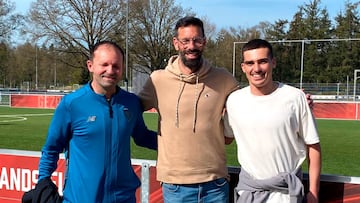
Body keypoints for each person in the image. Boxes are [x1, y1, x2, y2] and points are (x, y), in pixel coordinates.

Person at [32, 41, 157, 202]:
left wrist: (177, 143)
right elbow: (51, 148)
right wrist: (43, 181)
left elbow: (143, 136)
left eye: (116, 66)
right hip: (80, 199)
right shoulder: (72, 104)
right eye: (104, 65)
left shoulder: (131, 103)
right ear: (90, 66)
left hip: (123, 198)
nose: (110, 71)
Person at [138, 16, 239, 202]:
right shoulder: (157, 80)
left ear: (204, 42)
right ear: (176, 43)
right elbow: (129, 109)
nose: (191, 46)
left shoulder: (224, 79)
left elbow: (251, 102)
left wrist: (290, 97)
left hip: (215, 185)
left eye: (197, 40)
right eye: (185, 40)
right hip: (175, 187)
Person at [224, 38, 322, 203]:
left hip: (287, 195)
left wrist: (313, 192)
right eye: (250, 63)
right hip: (250, 194)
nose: (256, 69)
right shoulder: (234, 101)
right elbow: (226, 138)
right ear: (243, 67)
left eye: (262, 61)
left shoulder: (295, 97)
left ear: (273, 62)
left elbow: (313, 146)